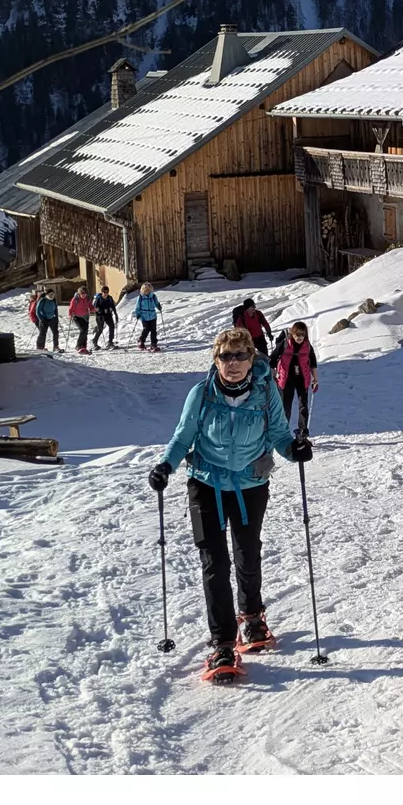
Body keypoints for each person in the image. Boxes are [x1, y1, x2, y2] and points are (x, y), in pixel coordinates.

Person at [148, 326, 312, 683]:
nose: (233, 363)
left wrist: (294, 450)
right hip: (206, 484)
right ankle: (222, 643)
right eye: (226, 356)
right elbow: (183, 437)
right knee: (214, 562)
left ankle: (252, 618)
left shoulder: (265, 391)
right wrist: (165, 466)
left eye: (240, 356)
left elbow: (278, 434)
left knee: (247, 553)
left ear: (251, 359)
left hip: (250, 484)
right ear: (216, 359)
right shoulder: (202, 393)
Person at [271, 320, 319, 437]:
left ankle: (303, 431)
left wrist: (315, 380)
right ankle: (283, 431)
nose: (300, 337)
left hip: (302, 379)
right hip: (286, 380)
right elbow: (272, 360)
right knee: (285, 407)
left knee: (303, 406)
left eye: (302, 334)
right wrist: (273, 375)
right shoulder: (284, 344)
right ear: (292, 333)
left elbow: (313, 364)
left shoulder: (307, 346)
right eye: (297, 334)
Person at [134, 282, 163, 352]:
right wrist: (138, 314)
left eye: (148, 289)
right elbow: (137, 307)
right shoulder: (140, 297)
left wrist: (159, 306)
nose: (147, 291)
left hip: (153, 316)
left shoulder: (153, 296)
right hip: (144, 316)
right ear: (143, 290)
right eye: (145, 289)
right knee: (146, 329)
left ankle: (153, 344)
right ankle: (141, 341)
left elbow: (156, 303)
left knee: (153, 330)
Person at [91, 284, 118, 350]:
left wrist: (115, 314)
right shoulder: (99, 299)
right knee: (100, 329)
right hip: (100, 316)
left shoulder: (110, 298)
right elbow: (95, 308)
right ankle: (94, 341)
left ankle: (110, 342)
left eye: (107, 292)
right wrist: (101, 311)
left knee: (112, 326)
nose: (106, 293)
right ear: (102, 292)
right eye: (104, 292)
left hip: (108, 315)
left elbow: (113, 306)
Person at [68, 285, 93, 354]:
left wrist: (94, 309)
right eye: (82, 293)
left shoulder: (88, 299)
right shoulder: (75, 299)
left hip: (85, 317)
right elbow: (71, 308)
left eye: (85, 293)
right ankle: (78, 346)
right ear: (79, 293)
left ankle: (84, 346)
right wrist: (70, 315)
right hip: (77, 317)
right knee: (82, 330)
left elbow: (90, 306)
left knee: (85, 331)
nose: (83, 295)